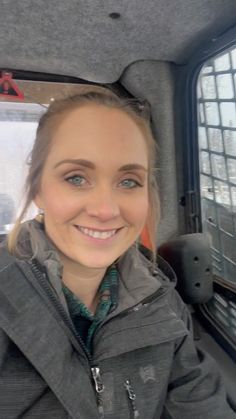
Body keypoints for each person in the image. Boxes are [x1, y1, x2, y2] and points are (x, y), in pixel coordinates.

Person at [0, 86, 234, 419]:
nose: (106, 209)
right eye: (76, 177)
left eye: (128, 182)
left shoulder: (160, 298)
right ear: (38, 188)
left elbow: (198, 399)